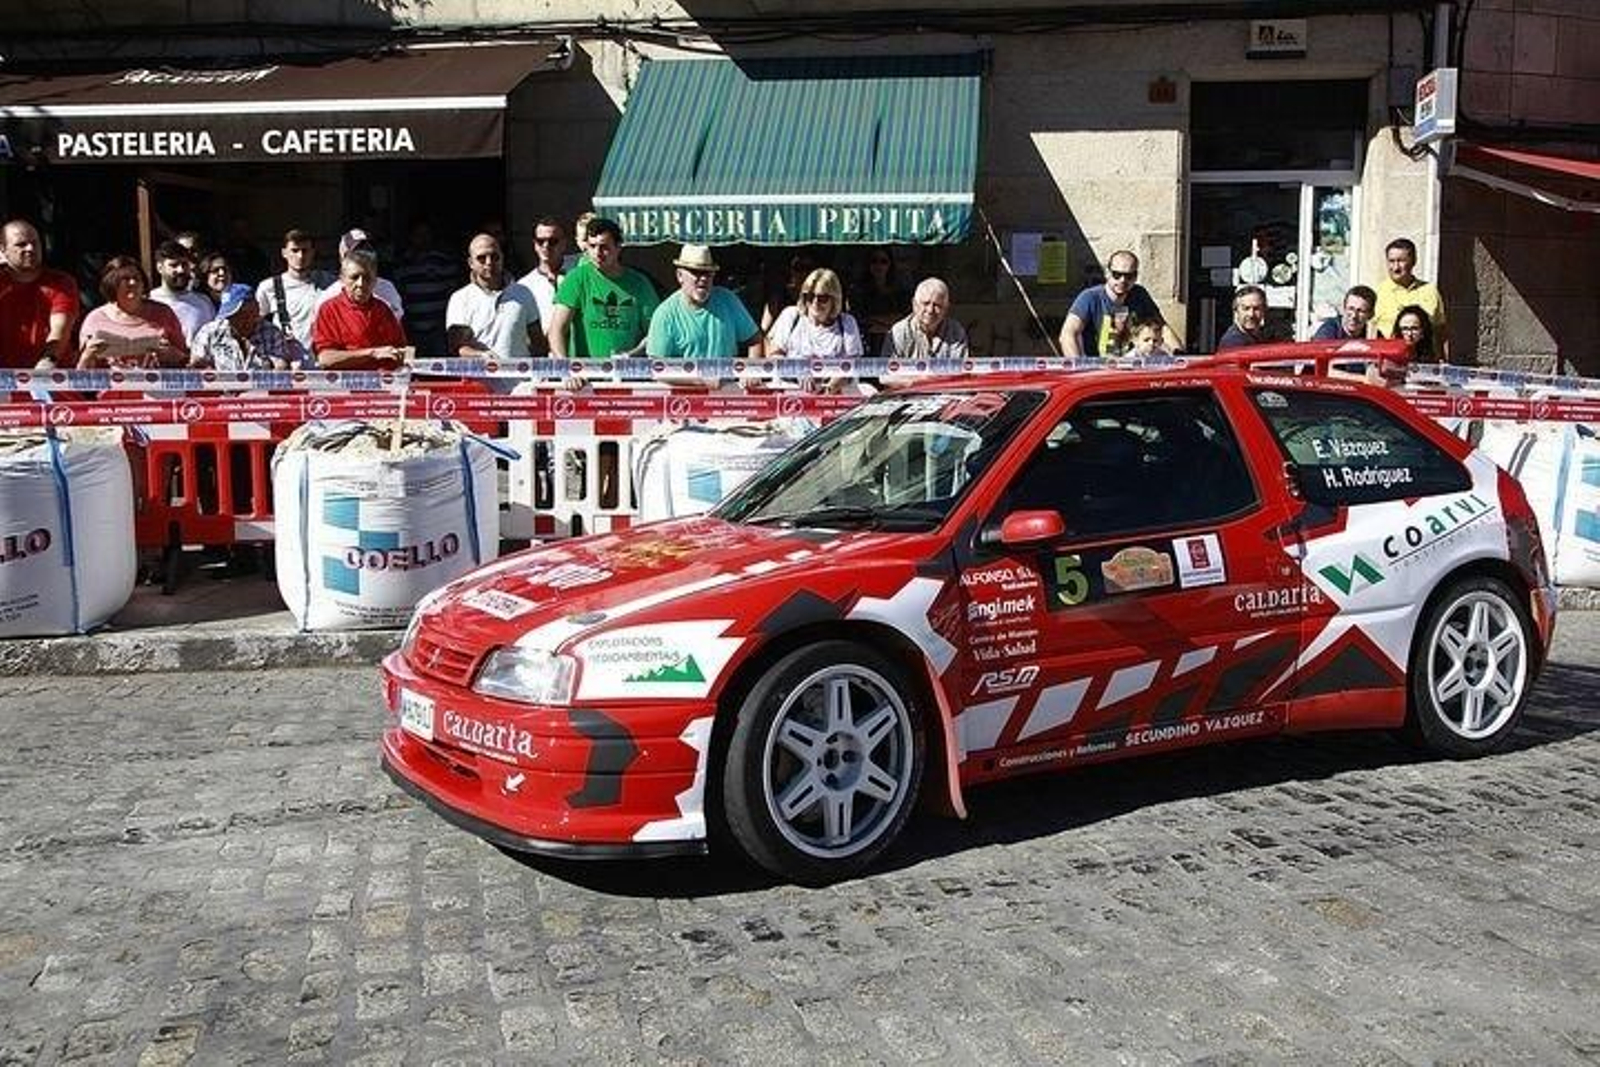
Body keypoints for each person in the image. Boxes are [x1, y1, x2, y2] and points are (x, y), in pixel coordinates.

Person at [547, 217, 659, 358]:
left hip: (628, 370)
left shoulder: (639, 283)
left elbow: (655, 333)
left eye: (604, 247)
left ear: (618, 247)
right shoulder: (576, 278)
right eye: (592, 246)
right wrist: (564, 367)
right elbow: (556, 330)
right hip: (584, 370)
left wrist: (631, 355)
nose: (597, 253)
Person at [645, 244, 762, 358]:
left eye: (708, 273)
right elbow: (657, 365)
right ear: (680, 275)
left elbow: (755, 340)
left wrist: (752, 369)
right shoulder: (665, 314)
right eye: (696, 272)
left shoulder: (728, 299)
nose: (703, 278)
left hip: (726, 372)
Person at [1060, 250, 1180, 357]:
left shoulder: (1140, 295)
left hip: (1131, 367)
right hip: (1097, 369)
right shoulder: (1089, 297)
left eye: (1129, 276)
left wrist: (1180, 354)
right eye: (1117, 275)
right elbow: (1068, 334)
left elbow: (1163, 328)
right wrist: (1078, 366)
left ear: (1136, 276)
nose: (1123, 280)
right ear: (1107, 273)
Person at [77, 257, 187, 368]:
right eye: (126, 279)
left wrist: (171, 354)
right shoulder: (95, 319)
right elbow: (81, 372)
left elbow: (185, 360)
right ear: (111, 283)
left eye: (137, 278)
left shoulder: (163, 313)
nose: (133, 283)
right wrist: (88, 355)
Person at [0, 218, 80, 369]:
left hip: (52, 374)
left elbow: (60, 330)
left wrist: (47, 363)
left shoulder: (61, 282)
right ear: (3, 250)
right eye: (21, 244)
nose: (30, 248)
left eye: (35, 243)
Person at [311, 249, 408, 370]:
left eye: (367, 278)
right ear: (342, 279)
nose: (361, 284)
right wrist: (372, 353)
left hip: (380, 380)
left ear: (375, 280)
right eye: (354, 277)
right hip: (344, 381)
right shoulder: (329, 310)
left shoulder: (384, 309)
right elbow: (325, 359)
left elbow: (401, 351)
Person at [446, 234, 539, 359]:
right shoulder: (459, 299)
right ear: (471, 263)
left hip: (520, 371)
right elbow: (458, 348)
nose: (489, 262)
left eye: (494, 256)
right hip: (478, 372)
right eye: (481, 258)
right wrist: (481, 355)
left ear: (502, 258)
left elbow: (537, 342)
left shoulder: (523, 292)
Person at [189, 283, 304, 370]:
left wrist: (280, 366)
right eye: (230, 317)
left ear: (255, 310)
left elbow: (281, 367)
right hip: (222, 392)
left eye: (242, 315)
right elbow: (197, 363)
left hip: (260, 393)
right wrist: (200, 366)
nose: (235, 321)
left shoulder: (272, 332)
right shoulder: (210, 331)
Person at [389, 220, 457, 359]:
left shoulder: (442, 261)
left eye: (426, 234)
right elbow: (399, 295)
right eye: (418, 235)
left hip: (438, 330)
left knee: (440, 367)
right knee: (414, 367)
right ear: (411, 237)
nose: (423, 239)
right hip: (412, 330)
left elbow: (453, 293)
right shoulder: (402, 263)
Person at [1374, 237, 1448, 360]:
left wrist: (1444, 361)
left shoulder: (1430, 291)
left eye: (1401, 261)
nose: (1396, 267)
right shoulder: (1378, 293)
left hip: (1424, 360)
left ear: (1413, 261)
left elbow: (1441, 331)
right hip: (1391, 361)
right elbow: (1371, 332)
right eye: (1391, 261)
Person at [255, 228, 326, 354]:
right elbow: (256, 325)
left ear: (313, 252)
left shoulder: (328, 282)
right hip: (285, 359)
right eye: (295, 250)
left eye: (305, 251)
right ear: (284, 253)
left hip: (321, 359)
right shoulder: (268, 287)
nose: (300, 256)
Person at [766, 267, 863, 357]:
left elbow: (854, 363)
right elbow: (774, 354)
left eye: (822, 298)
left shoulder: (847, 323)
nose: (815, 302)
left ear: (834, 300)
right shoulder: (790, 316)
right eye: (810, 296)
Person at [317, 229, 404, 322]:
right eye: (357, 253)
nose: (364, 257)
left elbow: (396, 324)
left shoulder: (387, 288)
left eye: (368, 250)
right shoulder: (329, 298)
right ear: (342, 259)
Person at [515, 216, 566, 353]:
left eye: (552, 241)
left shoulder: (577, 272)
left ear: (564, 244)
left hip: (580, 354)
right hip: (544, 358)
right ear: (534, 245)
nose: (546, 246)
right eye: (540, 241)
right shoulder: (524, 286)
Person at [882, 277, 969, 358]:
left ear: (946, 308)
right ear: (914, 305)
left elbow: (961, 367)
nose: (930, 310)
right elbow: (889, 368)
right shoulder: (899, 333)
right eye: (926, 303)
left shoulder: (956, 332)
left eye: (937, 305)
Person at [148, 240, 215, 344]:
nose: (181, 270)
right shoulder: (149, 302)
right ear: (160, 268)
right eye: (174, 265)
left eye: (184, 264)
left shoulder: (203, 303)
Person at [851, 247, 911, 357]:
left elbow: (903, 319)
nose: (879, 265)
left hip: (895, 343)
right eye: (874, 261)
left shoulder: (899, 291)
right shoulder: (859, 290)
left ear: (890, 265)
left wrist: (874, 319)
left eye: (883, 261)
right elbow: (860, 320)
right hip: (867, 344)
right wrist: (889, 324)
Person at [1216, 285, 1269, 349]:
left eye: (1256, 309)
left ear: (1264, 310)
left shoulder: (1258, 336)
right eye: (1246, 308)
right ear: (1236, 310)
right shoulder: (1233, 342)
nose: (1251, 314)